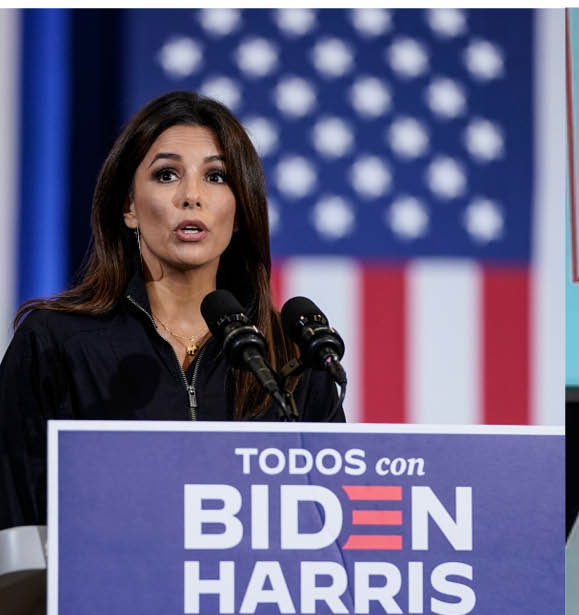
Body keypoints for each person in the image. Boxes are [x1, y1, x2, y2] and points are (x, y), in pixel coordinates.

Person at [0, 91, 344, 531]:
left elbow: (331, 530)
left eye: (217, 177)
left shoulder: (289, 361)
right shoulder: (58, 343)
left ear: (239, 213)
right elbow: (16, 528)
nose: (191, 196)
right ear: (128, 207)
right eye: (166, 175)